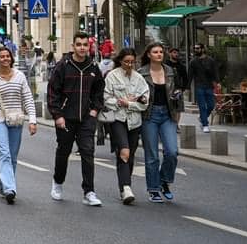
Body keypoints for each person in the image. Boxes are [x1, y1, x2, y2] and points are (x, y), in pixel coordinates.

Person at [47, 32, 105, 206]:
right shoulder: (63, 66)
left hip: (86, 118)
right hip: (66, 118)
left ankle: (89, 192)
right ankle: (58, 182)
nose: (82, 48)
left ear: (89, 47)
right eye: (78, 44)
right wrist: (57, 115)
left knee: (88, 152)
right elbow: (53, 92)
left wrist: (95, 109)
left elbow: (99, 90)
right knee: (63, 151)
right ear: (73, 46)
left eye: (85, 45)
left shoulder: (93, 67)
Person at [0, 46, 38, 203]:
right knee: (4, 153)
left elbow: (28, 98)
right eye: (2, 56)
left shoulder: (20, 76)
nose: (5, 59)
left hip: (16, 118)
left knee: (12, 156)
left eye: (8, 56)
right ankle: (10, 188)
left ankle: (4, 184)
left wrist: (32, 120)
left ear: (11, 58)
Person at [100, 48, 147, 204]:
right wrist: (120, 102)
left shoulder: (139, 79)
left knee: (130, 155)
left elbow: (144, 102)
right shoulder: (112, 76)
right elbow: (106, 98)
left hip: (134, 121)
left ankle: (124, 185)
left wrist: (130, 104)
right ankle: (126, 188)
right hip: (118, 119)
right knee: (124, 152)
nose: (129, 65)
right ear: (120, 61)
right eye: (126, 61)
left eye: (132, 62)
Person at [139, 42, 181, 203]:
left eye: (161, 52)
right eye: (155, 52)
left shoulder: (170, 71)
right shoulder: (141, 73)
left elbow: (177, 91)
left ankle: (164, 181)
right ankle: (153, 189)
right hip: (149, 115)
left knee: (172, 152)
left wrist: (177, 114)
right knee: (152, 155)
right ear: (148, 54)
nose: (159, 54)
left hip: (167, 114)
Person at [188, 43, 220, 131]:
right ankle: (205, 124)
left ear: (202, 49)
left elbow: (215, 72)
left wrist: (218, 82)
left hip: (209, 86)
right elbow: (190, 75)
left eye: (198, 48)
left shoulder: (210, 60)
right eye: (195, 48)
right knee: (202, 106)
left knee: (211, 105)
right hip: (199, 86)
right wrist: (187, 87)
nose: (196, 50)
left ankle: (202, 117)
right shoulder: (193, 62)